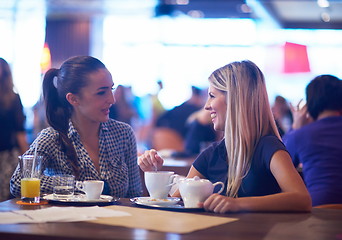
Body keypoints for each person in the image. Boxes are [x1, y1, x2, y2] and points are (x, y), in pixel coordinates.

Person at [139, 60, 311, 213]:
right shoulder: (212, 153)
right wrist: (154, 173)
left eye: (212, 96)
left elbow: (302, 199)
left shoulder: (268, 147)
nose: (206, 106)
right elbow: (175, 201)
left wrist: (238, 204)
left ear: (235, 99)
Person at [10, 56, 142, 198]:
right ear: (73, 99)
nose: (112, 99)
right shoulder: (53, 137)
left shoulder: (123, 133)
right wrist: (79, 185)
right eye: (101, 92)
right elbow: (18, 182)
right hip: (69, 220)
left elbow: (134, 195)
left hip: (117, 219)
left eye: (112, 89)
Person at [283, 74, 342, 207]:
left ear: (310, 105)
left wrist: (295, 127)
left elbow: (280, 162)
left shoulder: (302, 135)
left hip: (319, 209)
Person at [0, 58, 29, 201]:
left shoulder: (13, 98)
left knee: (5, 196)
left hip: (6, 154)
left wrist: (27, 160)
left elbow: (20, 131)